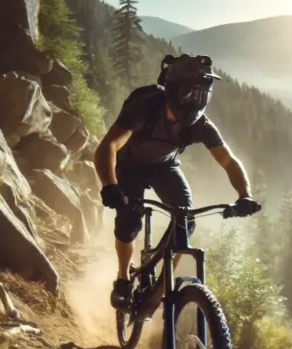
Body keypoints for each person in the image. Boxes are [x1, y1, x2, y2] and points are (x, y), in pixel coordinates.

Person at [94, 53, 261, 310]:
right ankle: (123, 279)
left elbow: (228, 161)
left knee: (185, 222)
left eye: (201, 94)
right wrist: (110, 186)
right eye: (189, 93)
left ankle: (162, 286)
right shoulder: (145, 107)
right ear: (173, 89)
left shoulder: (199, 125)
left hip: (165, 168)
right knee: (128, 219)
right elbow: (109, 146)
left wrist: (244, 195)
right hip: (129, 167)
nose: (195, 100)